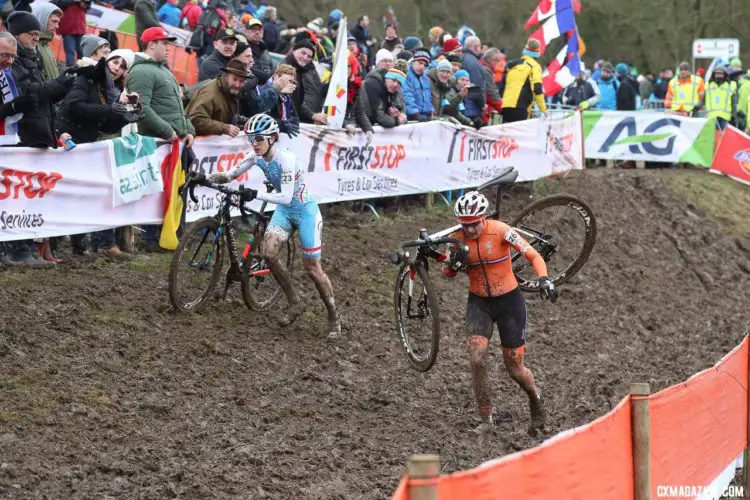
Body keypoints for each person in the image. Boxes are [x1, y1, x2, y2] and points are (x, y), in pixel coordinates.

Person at [191, 114, 342, 337]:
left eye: (259, 138)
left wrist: (255, 193)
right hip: (284, 212)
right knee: (268, 254)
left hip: (305, 211)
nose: (254, 143)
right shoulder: (256, 156)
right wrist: (204, 177)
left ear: (272, 138)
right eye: (251, 138)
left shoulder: (286, 160)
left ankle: (334, 316)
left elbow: (286, 196)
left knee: (312, 268)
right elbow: (229, 175)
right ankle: (295, 302)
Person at [442, 191, 556, 435]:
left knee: (514, 368)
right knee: (476, 357)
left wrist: (544, 279)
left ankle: (535, 398)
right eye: (465, 225)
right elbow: (446, 273)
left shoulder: (501, 230)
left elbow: (532, 254)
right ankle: (486, 420)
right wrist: (453, 264)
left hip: (509, 303)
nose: (470, 230)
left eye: (474, 224)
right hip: (479, 303)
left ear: (483, 218)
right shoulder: (456, 238)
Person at [127, 27, 195, 251]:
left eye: (169, 43)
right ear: (151, 44)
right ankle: (150, 239)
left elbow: (177, 107)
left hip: (173, 143)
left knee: (173, 190)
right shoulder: (142, 72)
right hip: (158, 143)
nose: (168, 47)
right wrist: (168, 131)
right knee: (155, 191)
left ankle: (169, 234)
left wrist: (189, 129)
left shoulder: (162, 70)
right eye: (164, 43)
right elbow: (141, 108)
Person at [187, 58, 250, 136]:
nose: (237, 84)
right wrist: (225, 128)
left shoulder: (231, 92)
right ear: (226, 76)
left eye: (241, 81)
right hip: (194, 142)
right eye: (234, 79)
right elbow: (196, 120)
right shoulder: (210, 93)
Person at [499, 38, 547, 123]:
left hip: (505, 105)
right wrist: (543, 109)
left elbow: (502, 85)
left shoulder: (512, 64)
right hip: (520, 107)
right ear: (537, 53)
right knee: (517, 135)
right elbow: (537, 88)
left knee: (506, 135)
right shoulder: (534, 66)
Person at [283, 39, 325, 125]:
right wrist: (312, 115)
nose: (305, 58)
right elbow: (291, 100)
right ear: (294, 50)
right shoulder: (286, 68)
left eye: (309, 56)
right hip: (287, 122)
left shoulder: (301, 70)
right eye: (303, 53)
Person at [428, 58, 472, 126]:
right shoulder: (429, 83)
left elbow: (448, 109)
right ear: (437, 71)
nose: (445, 74)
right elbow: (446, 108)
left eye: (448, 72)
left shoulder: (445, 86)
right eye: (442, 71)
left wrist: (469, 122)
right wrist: (459, 96)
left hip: (437, 122)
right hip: (429, 123)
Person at [31, 2, 63, 81]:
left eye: (58, 22)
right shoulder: (31, 44)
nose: (57, 26)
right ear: (42, 19)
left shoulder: (45, 43)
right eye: (54, 21)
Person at [698, 65, 737, 130]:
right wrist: (696, 107)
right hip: (711, 118)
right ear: (714, 74)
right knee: (712, 139)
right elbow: (703, 100)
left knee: (723, 139)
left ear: (724, 74)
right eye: (717, 73)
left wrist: (733, 116)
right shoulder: (708, 85)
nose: (719, 75)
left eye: (721, 74)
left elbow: (734, 103)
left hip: (725, 118)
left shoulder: (731, 85)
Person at [53, 0, 90, 67]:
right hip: (68, 28)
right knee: (70, 51)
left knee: (81, 51)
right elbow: (58, 4)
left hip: (80, 27)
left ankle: (83, 68)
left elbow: (87, 7)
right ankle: (70, 69)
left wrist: (85, 3)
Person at [403, 48, 434, 121]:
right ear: (413, 62)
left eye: (425, 65)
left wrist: (431, 110)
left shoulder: (425, 78)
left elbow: (429, 97)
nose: (422, 67)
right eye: (420, 63)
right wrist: (415, 114)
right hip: (412, 118)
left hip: (425, 117)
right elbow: (406, 95)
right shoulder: (406, 76)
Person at [245, 17, 272, 85]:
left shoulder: (265, 52)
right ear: (246, 32)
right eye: (253, 29)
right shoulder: (242, 49)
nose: (257, 32)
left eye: (259, 29)